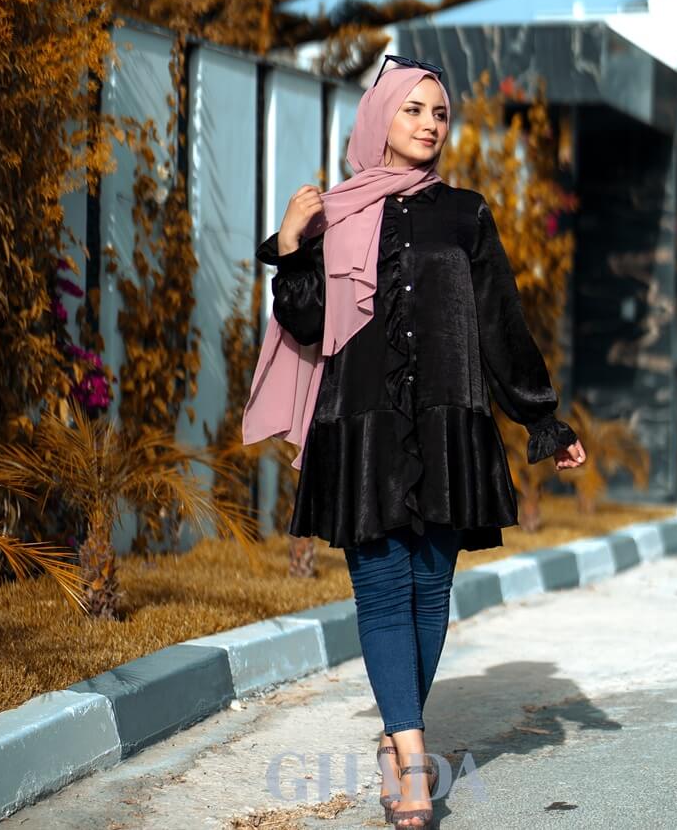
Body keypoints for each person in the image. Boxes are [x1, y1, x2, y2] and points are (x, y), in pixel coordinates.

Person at [242, 58, 586, 829]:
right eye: (414, 110)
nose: (429, 124)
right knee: (379, 591)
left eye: (439, 113)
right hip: (360, 427)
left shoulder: (465, 214)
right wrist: (292, 243)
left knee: (429, 593)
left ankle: (399, 737)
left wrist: (541, 420)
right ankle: (411, 754)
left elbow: (499, 323)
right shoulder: (333, 213)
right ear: (380, 118)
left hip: (447, 423)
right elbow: (306, 322)